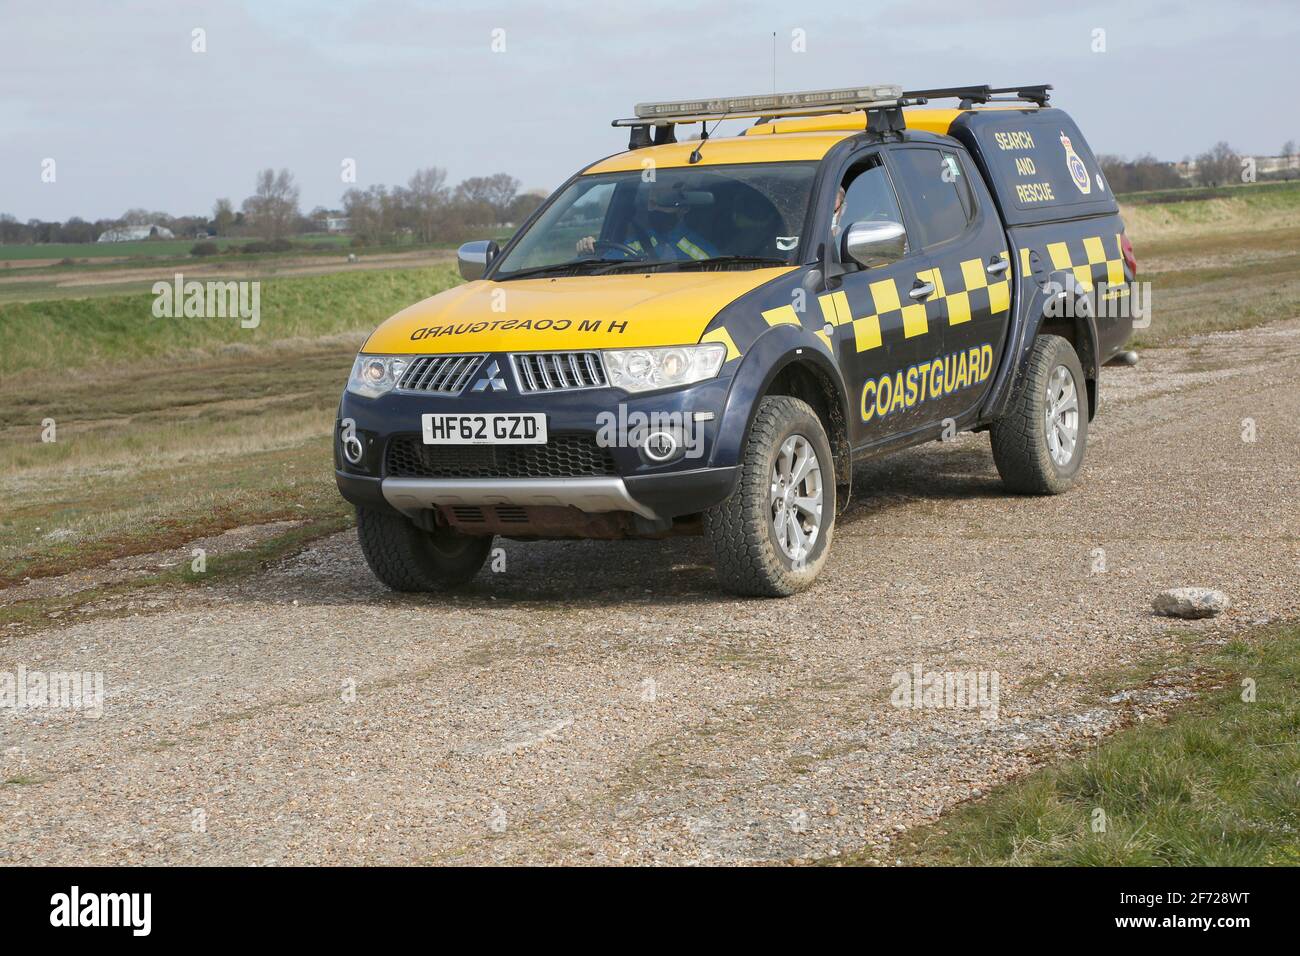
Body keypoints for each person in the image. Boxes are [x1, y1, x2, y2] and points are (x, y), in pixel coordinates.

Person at [576, 179, 719, 261]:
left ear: (684, 208)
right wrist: (588, 254)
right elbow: (606, 263)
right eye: (650, 202)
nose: (652, 208)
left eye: (662, 202)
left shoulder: (698, 251)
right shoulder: (636, 244)